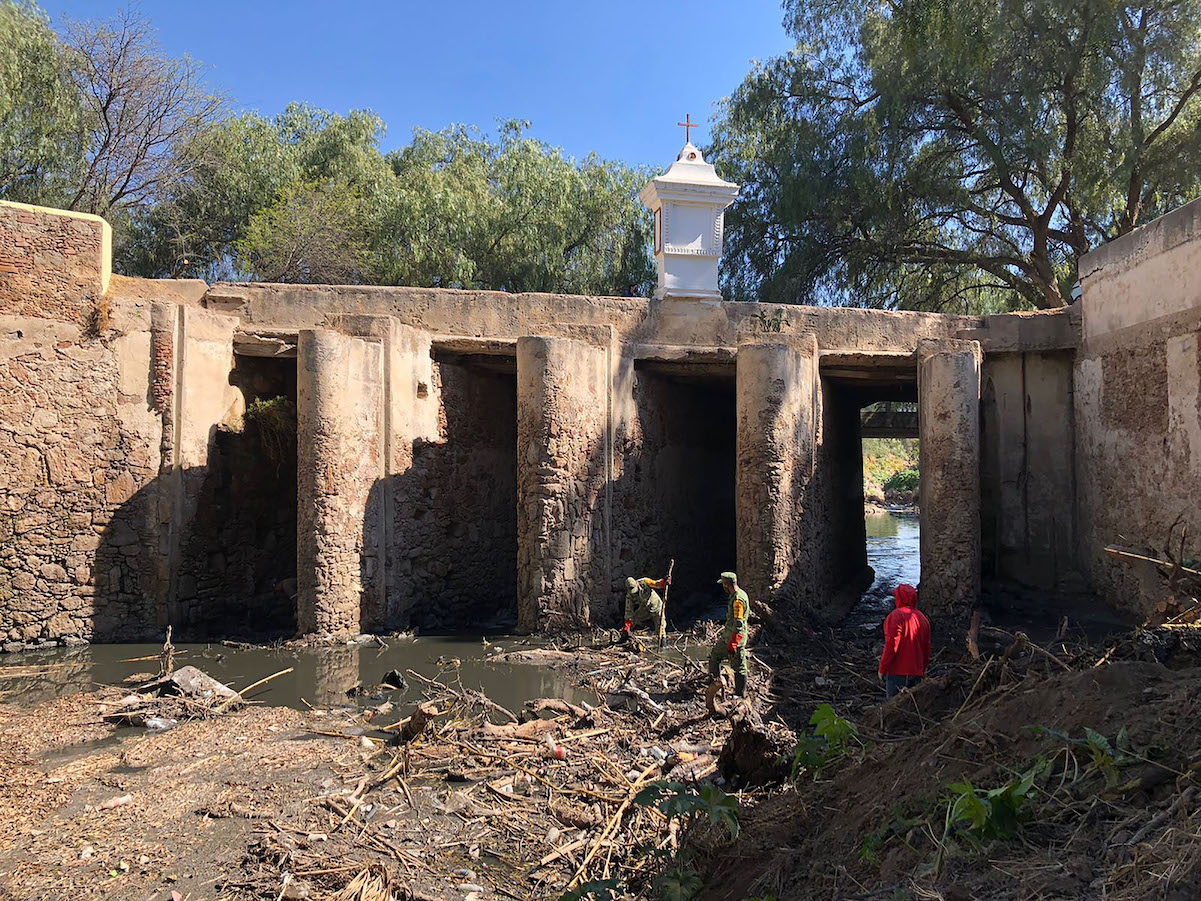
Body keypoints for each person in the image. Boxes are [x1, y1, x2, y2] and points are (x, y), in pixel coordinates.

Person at [706, 571, 749, 713]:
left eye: (723, 584)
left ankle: (740, 694)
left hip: (735, 638)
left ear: (727, 584)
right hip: (727, 637)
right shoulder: (737, 595)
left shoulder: (738, 600)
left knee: (739, 666)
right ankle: (715, 685)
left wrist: (734, 642)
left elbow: (738, 623)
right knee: (715, 656)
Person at [878, 583, 930, 698]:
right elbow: (926, 649)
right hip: (916, 672)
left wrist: (882, 668)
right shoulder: (923, 619)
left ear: (899, 598)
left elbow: (892, 646)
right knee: (911, 705)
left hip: (897, 672)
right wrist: (923, 669)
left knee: (892, 707)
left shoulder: (895, 616)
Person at [622, 574, 669, 647]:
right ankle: (624, 638)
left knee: (661, 627)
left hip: (656, 606)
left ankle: (663, 646)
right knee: (633, 620)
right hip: (644, 609)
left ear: (636, 584)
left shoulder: (645, 581)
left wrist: (664, 581)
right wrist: (627, 626)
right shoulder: (629, 595)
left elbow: (656, 584)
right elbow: (628, 611)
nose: (634, 592)